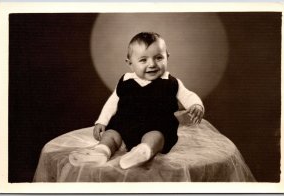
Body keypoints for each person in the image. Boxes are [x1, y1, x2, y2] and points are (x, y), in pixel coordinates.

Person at [69, 32, 204, 169]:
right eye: (143, 60)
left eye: (158, 58)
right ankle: (101, 152)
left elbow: (188, 95)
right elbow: (112, 103)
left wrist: (196, 105)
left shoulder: (171, 82)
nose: (152, 64)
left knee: (156, 136)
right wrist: (102, 121)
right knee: (111, 134)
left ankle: (144, 151)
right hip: (124, 124)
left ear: (167, 57)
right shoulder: (126, 81)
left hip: (157, 125)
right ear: (130, 63)